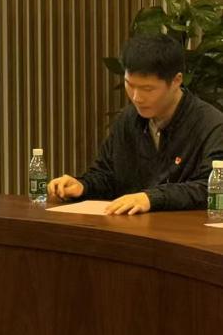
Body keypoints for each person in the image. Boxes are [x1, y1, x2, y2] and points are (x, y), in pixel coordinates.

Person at [47, 33, 223, 214]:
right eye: (130, 85)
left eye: (148, 89)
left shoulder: (211, 125)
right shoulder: (128, 120)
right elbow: (108, 176)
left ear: (176, 80)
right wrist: (83, 186)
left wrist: (151, 198)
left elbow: (212, 188)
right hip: (131, 227)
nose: (137, 97)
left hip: (184, 228)